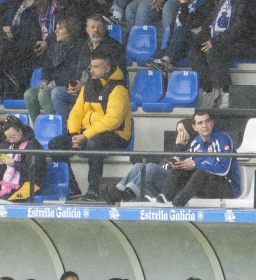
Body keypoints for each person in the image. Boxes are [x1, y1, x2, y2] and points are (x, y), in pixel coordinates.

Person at [47, 51, 132, 201]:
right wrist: (74, 134)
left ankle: (94, 189)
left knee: (94, 143)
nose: (91, 70)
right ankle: (72, 188)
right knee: (55, 143)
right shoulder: (88, 87)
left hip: (116, 134)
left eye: (96, 67)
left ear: (107, 68)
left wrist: (85, 136)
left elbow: (113, 121)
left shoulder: (119, 89)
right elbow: (76, 112)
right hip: (87, 134)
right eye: (91, 66)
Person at [189, 0, 256, 109]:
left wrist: (214, 41)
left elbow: (238, 28)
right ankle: (208, 90)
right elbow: (208, 26)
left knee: (213, 51)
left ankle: (226, 92)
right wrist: (199, 41)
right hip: (221, 42)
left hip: (241, 44)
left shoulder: (243, 1)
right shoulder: (221, 1)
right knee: (195, 51)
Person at [161, 109, 239, 207]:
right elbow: (190, 167)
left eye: (207, 121)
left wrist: (194, 165)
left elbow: (223, 170)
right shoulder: (195, 142)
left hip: (226, 188)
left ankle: (177, 204)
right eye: (200, 123)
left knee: (201, 173)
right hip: (206, 186)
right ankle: (165, 201)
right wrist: (179, 164)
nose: (205, 125)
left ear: (212, 123)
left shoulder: (223, 139)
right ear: (195, 127)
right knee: (178, 171)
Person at [108, 118, 196, 203]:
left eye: (181, 130)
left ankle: (128, 194)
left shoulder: (192, 146)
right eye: (177, 131)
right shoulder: (177, 146)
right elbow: (166, 160)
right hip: (165, 178)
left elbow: (175, 164)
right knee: (138, 166)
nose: (178, 134)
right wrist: (170, 158)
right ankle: (117, 191)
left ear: (189, 130)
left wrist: (179, 147)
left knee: (151, 167)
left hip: (176, 184)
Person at [24, 15, 88, 121]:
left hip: (65, 85)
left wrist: (52, 84)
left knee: (44, 95)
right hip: (51, 84)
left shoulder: (78, 47)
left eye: (60, 28)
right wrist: (44, 82)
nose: (56, 32)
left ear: (70, 30)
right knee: (29, 94)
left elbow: (72, 73)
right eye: (56, 28)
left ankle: (55, 127)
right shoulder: (54, 46)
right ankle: (37, 129)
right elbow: (46, 68)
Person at [0, 116, 46, 202]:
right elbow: (6, 171)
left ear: (20, 130)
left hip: (31, 183)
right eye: (8, 138)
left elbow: (35, 171)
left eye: (13, 136)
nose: (11, 140)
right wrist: (2, 163)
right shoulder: (10, 145)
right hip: (14, 183)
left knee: (9, 202)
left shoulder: (32, 144)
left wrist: (14, 163)